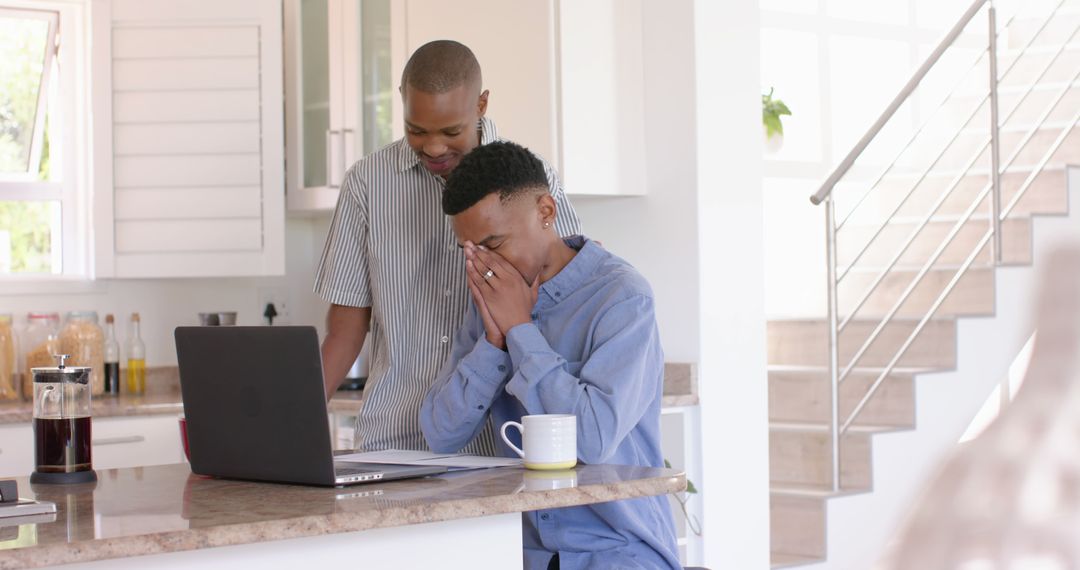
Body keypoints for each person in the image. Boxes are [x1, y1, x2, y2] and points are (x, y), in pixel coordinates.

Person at [420, 141, 680, 570]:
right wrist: (494, 343)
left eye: (494, 243)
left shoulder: (622, 298)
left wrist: (521, 330)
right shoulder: (492, 301)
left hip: (618, 553)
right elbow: (440, 434)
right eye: (471, 251)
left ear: (545, 211)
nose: (484, 265)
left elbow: (592, 440)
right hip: (525, 554)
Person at [314, 40, 581, 453]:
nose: (434, 147)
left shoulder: (531, 180)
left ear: (482, 105)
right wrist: (292, 427)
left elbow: (563, 312)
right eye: (416, 130)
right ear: (402, 102)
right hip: (392, 441)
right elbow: (346, 330)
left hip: (499, 443)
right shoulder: (367, 183)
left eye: (451, 131)